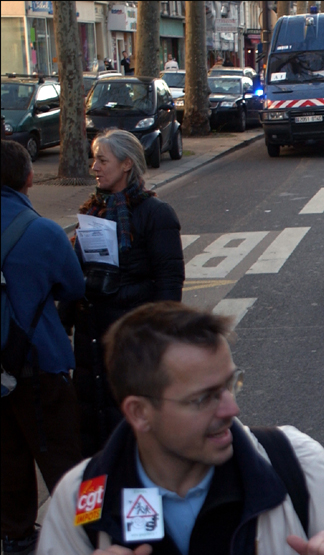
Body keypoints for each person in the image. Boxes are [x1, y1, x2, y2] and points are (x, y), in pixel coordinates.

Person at [33, 302, 324, 555]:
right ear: (139, 412)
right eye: (202, 398)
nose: (231, 409)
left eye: (230, 384)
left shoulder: (295, 462)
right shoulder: (81, 498)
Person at [70, 129, 184, 457]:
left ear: (126, 165)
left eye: (102, 160)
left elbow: (169, 282)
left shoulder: (155, 214)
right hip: (91, 343)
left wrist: (158, 341)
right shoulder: (92, 212)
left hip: (132, 344)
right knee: (96, 438)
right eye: (94, 159)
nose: (94, 167)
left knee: (134, 438)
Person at [1, 141, 84, 555]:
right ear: (29, 178)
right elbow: (74, 287)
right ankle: (84, 536)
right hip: (38, 364)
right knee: (65, 458)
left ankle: (15, 536)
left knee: (7, 457)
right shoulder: (42, 232)